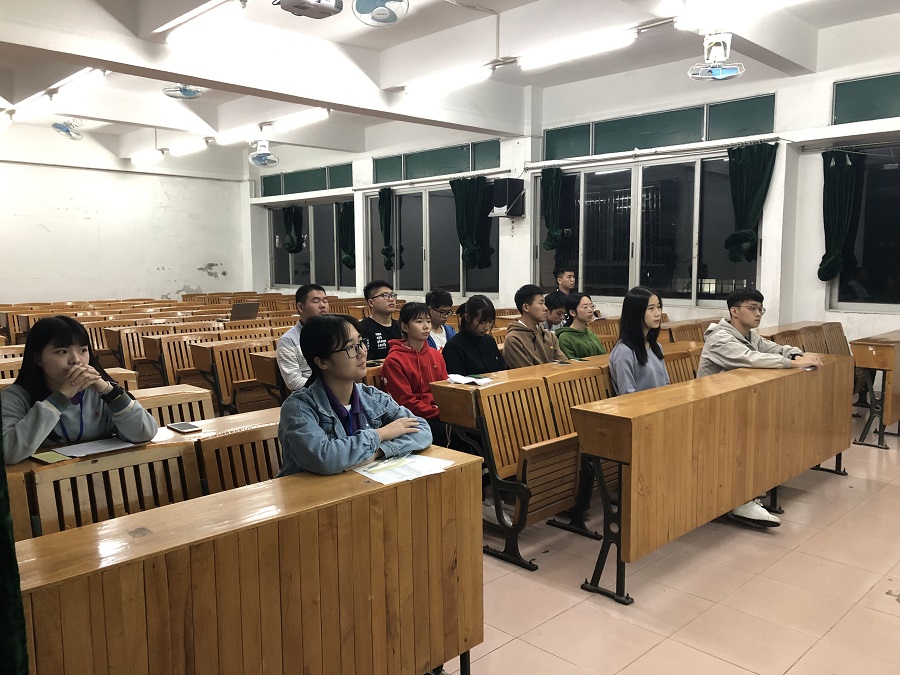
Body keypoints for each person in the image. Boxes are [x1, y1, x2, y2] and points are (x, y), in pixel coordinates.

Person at [697, 287, 822, 527]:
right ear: (734, 311)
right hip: (711, 410)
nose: (758, 314)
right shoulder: (720, 338)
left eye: (761, 309)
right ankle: (740, 499)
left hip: (736, 405)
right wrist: (792, 364)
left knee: (768, 429)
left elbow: (771, 348)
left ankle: (751, 487)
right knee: (748, 437)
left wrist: (796, 354)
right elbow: (750, 358)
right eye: (752, 308)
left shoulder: (749, 335)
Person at [278, 315, 432, 476]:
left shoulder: (373, 397)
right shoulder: (298, 407)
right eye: (350, 347)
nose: (362, 353)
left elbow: (422, 430)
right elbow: (325, 458)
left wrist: (378, 451)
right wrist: (381, 434)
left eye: (361, 343)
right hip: (314, 490)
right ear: (322, 362)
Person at [1, 316, 158, 464]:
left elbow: (144, 434)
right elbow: (8, 452)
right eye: (62, 351)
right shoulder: (14, 398)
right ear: (37, 358)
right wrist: (61, 397)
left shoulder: (102, 393)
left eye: (83, 350)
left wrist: (109, 391)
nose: (76, 360)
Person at [380, 303, 450, 444]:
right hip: (413, 418)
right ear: (405, 327)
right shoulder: (394, 360)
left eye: (428, 321)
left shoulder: (435, 354)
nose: (426, 326)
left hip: (437, 412)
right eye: (419, 321)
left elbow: (445, 389)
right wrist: (442, 413)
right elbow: (405, 403)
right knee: (454, 431)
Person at [608, 287, 668, 395]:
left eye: (659, 307)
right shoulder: (624, 351)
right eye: (651, 308)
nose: (657, 313)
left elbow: (666, 383)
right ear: (635, 312)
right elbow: (627, 394)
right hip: (640, 405)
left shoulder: (656, 346)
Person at [275, 283, 330, 392]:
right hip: (310, 396)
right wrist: (328, 388)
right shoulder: (288, 341)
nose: (322, 305)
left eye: (325, 301)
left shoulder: (335, 333)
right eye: (316, 301)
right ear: (300, 307)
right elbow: (293, 382)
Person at [503, 284, 567, 368]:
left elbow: (564, 364)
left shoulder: (549, 336)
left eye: (544, 303)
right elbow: (527, 372)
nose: (545, 308)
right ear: (526, 307)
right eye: (541, 303)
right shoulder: (514, 340)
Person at [442, 295, 505, 376]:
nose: (487, 327)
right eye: (482, 323)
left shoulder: (489, 341)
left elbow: (501, 370)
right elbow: (457, 380)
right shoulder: (453, 347)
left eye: (490, 322)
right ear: (467, 318)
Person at [358, 280, 402, 360]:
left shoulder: (401, 326)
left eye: (392, 295)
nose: (391, 299)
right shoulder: (362, 328)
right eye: (384, 295)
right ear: (371, 303)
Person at [556, 292, 608, 359]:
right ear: (572, 312)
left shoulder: (589, 332)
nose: (590, 310)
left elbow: (604, 355)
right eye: (585, 307)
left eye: (592, 306)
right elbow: (571, 362)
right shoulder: (565, 338)